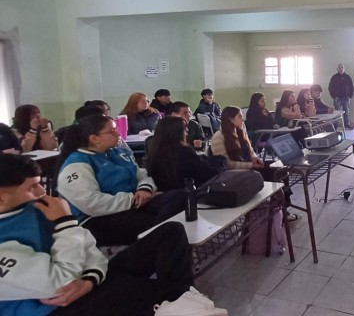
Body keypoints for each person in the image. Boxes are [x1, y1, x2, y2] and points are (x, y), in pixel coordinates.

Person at [0, 154, 217, 316]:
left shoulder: (36, 209)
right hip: (55, 308)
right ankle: (180, 304)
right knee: (154, 293)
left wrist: (91, 279)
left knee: (170, 232)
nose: (42, 192)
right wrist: (65, 223)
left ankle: (181, 303)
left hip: (87, 280)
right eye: (32, 187)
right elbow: (60, 283)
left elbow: (88, 245)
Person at [57, 114, 184, 246]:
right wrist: (133, 200)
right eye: (112, 131)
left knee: (181, 197)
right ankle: (156, 241)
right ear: (94, 138)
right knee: (158, 222)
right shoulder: (77, 164)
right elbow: (92, 203)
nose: (118, 134)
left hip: (133, 204)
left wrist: (145, 189)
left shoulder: (116, 153)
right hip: (98, 219)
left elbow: (142, 174)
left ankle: (157, 237)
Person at [145, 117, 219, 192]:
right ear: (176, 132)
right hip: (189, 194)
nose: (187, 130)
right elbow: (206, 172)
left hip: (166, 193)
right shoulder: (184, 153)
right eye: (184, 129)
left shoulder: (154, 153)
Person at [209, 106, 264, 170]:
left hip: (247, 167)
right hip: (232, 172)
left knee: (270, 167)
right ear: (231, 119)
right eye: (240, 117)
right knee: (257, 174)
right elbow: (226, 164)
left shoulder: (241, 132)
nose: (243, 119)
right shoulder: (218, 137)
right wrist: (250, 165)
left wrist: (254, 157)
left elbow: (250, 150)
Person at [328, 63, 354, 129]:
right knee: (336, 113)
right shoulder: (334, 77)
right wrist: (334, 96)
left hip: (346, 98)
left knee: (346, 112)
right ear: (337, 69)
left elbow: (351, 87)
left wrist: (350, 96)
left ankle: (347, 125)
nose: (341, 69)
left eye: (342, 67)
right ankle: (335, 126)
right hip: (337, 99)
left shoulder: (347, 77)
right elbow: (330, 88)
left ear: (344, 69)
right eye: (339, 67)